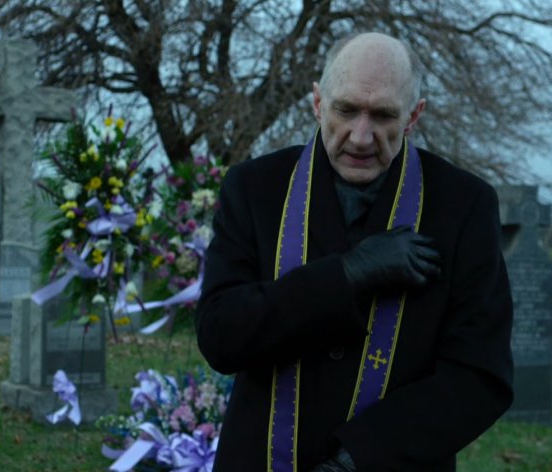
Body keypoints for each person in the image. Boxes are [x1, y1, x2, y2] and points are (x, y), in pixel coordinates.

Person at [195, 31, 514, 471]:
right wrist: (346, 274)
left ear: (413, 116)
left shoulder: (463, 205)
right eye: (345, 110)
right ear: (317, 103)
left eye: (383, 115)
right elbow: (220, 336)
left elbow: (479, 376)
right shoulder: (254, 188)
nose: (361, 137)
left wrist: (358, 458)